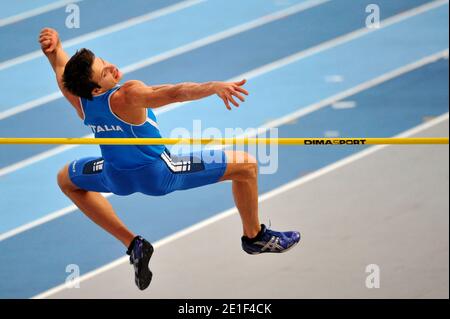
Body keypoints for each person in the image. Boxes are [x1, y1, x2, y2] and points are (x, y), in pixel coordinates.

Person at [39, 27, 301, 290]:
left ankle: (133, 244)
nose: (111, 67)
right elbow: (176, 92)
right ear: (96, 89)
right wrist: (214, 87)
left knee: (66, 180)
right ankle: (254, 236)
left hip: (115, 176)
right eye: (104, 72)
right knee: (247, 167)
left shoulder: (80, 100)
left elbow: (62, 72)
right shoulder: (128, 94)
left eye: (103, 61)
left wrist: (55, 50)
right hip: (160, 174)